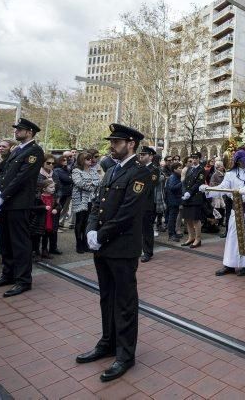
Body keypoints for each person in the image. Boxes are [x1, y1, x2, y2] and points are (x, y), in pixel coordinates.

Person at [76, 123, 151, 383]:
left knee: (125, 301)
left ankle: (125, 354)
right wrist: (90, 229)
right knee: (106, 297)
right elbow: (98, 203)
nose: (111, 146)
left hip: (122, 247)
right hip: (104, 246)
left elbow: (128, 212)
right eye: (112, 142)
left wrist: (102, 234)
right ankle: (107, 342)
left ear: (131, 144)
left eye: (117, 142)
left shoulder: (140, 173)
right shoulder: (110, 170)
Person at [0, 118, 44, 298]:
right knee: (7, 241)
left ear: (30, 132)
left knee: (20, 242)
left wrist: (2, 194)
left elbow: (22, 177)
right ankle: (8, 274)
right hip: (7, 202)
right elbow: (5, 175)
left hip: (19, 203)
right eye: (17, 129)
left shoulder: (35, 151)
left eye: (20, 129)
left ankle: (23, 280)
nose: (16, 132)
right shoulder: (17, 149)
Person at [206, 151, 245, 277]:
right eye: (238, 160)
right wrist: (209, 190)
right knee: (232, 238)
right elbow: (223, 188)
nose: (241, 162)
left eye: (243, 160)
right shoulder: (230, 174)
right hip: (236, 210)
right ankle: (229, 265)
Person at [72, 152, 100, 253]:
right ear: (82, 160)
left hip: (91, 199)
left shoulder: (93, 170)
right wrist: (91, 185)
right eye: (87, 159)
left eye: (90, 159)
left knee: (87, 222)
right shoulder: (76, 171)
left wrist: (90, 184)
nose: (90, 161)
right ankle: (78, 243)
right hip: (80, 200)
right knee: (80, 221)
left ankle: (85, 242)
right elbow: (79, 183)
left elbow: (98, 182)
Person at [138, 146, 160, 263]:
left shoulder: (154, 169)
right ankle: (138, 249)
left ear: (151, 156)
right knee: (137, 228)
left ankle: (147, 252)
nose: (141, 156)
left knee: (147, 229)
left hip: (147, 203)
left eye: (144, 154)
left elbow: (150, 185)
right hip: (137, 202)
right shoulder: (139, 167)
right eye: (140, 154)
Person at [180, 153, 205, 248]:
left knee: (195, 219)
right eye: (193, 158)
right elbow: (185, 182)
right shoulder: (190, 169)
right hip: (187, 197)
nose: (194, 160)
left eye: (196, 158)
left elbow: (199, 183)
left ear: (199, 159)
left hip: (195, 197)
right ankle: (191, 237)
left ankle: (198, 239)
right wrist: (185, 192)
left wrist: (189, 192)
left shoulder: (201, 170)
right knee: (187, 218)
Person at [164, 162, 183, 242]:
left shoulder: (176, 176)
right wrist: (182, 182)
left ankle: (174, 233)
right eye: (179, 168)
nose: (181, 169)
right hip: (172, 201)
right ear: (175, 169)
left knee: (174, 218)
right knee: (172, 218)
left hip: (175, 200)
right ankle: (171, 235)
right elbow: (172, 187)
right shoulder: (173, 177)